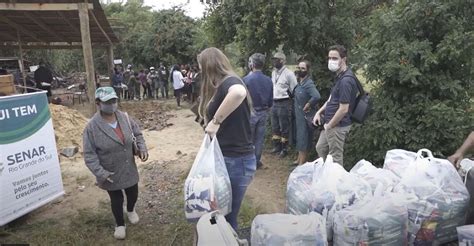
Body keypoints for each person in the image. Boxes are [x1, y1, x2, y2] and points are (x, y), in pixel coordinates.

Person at [198, 47, 255, 230]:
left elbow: (238, 92)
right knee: (219, 211)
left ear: (208, 65)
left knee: (228, 215)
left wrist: (215, 121)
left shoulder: (230, 81)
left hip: (237, 160)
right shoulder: (219, 86)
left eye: (201, 66)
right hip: (226, 157)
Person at [83, 87, 148, 240]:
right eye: (107, 102)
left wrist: (142, 148)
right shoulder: (91, 127)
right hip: (109, 171)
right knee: (116, 199)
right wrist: (101, 173)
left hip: (128, 166)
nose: (112, 105)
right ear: (98, 103)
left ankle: (130, 210)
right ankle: (119, 224)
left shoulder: (125, 117)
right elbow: (89, 154)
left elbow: (137, 134)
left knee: (133, 193)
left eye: (114, 101)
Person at [313, 45, 358, 167]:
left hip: (337, 125)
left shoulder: (346, 80)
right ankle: (325, 175)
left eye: (334, 58)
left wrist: (330, 125)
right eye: (329, 58)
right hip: (330, 123)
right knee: (320, 148)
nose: (331, 61)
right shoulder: (339, 76)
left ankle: (336, 184)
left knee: (335, 158)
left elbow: (344, 109)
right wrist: (319, 112)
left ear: (343, 59)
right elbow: (331, 99)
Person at [243, 53, 273, 169]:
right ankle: (256, 161)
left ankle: (248, 162)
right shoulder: (268, 80)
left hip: (250, 112)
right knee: (259, 138)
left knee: (248, 138)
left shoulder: (246, 80)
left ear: (252, 64)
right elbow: (271, 98)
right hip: (264, 112)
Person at [270, 52, 298, 158]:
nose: (274, 61)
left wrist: (290, 100)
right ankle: (276, 146)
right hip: (274, 101)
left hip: (284, 101)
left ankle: (284, 148)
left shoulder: (289, 74)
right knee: (275, 125)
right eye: (274, 59)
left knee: (284, 126)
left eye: (276, 59)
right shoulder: (273, 73)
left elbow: (294, 89)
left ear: (282, 61)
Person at [293, 60, 320, 165]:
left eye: (303, 68)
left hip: (306, 117)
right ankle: (299, 160)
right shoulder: (300, 83)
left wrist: (309, 104)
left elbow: (316, 96)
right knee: (300, 138)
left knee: (304, 139)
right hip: (299, 116)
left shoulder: (308, 84)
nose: (300, 70)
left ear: (308, 70)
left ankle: (301, 165)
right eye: (299, 68)